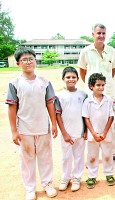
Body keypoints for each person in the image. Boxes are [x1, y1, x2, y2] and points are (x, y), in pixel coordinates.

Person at [6, 47, 58, 200]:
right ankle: (30, 188)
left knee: (45, 157)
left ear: (35, 60)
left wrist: (53, 124)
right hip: (24, 129)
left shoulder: (45, 82)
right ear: (18, 63)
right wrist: (14, 131)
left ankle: (47, 183)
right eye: (24, 60)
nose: (28, 62)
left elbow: (50, 104)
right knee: (27, 159)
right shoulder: (14, 83)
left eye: (31, 59)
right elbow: (12, 107)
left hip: (43, 127)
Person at [55, 67, 87, 192]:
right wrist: (64, 133)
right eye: (68, 77)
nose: (71, 79)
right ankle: (65, 178)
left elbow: (85, 115)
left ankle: (77, 178)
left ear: (78, 79)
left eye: (73, 77)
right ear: (63, 79)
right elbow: (58, 115)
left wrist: (85, 131)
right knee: (66, 157)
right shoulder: (59, 96)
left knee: (79, 156)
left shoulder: (82, 95)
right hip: (66, 133)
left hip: (79, 132)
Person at [82, 73, 115, 189]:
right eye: (98, 85)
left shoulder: (108, 100)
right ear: (91, 86)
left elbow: (111, 117)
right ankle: (92, 176)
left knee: (107, 155)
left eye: (103, 85)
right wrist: (94, 134)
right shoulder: (87, 101)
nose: (101, 88)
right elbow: (86, 118)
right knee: (92, 156)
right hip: (93, 136)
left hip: (106, 134)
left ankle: (109, 174)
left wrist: (105, 133)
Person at [78, 23, 115, 98]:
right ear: (93, 34)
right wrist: (92, 84)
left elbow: (113, 69)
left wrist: (107, 81)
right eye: (99, 33)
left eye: (103, 33)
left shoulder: (112, 51)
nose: (101, 36)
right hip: (91, 92)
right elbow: (82, 71)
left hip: (108, 91)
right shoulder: (85, 51)